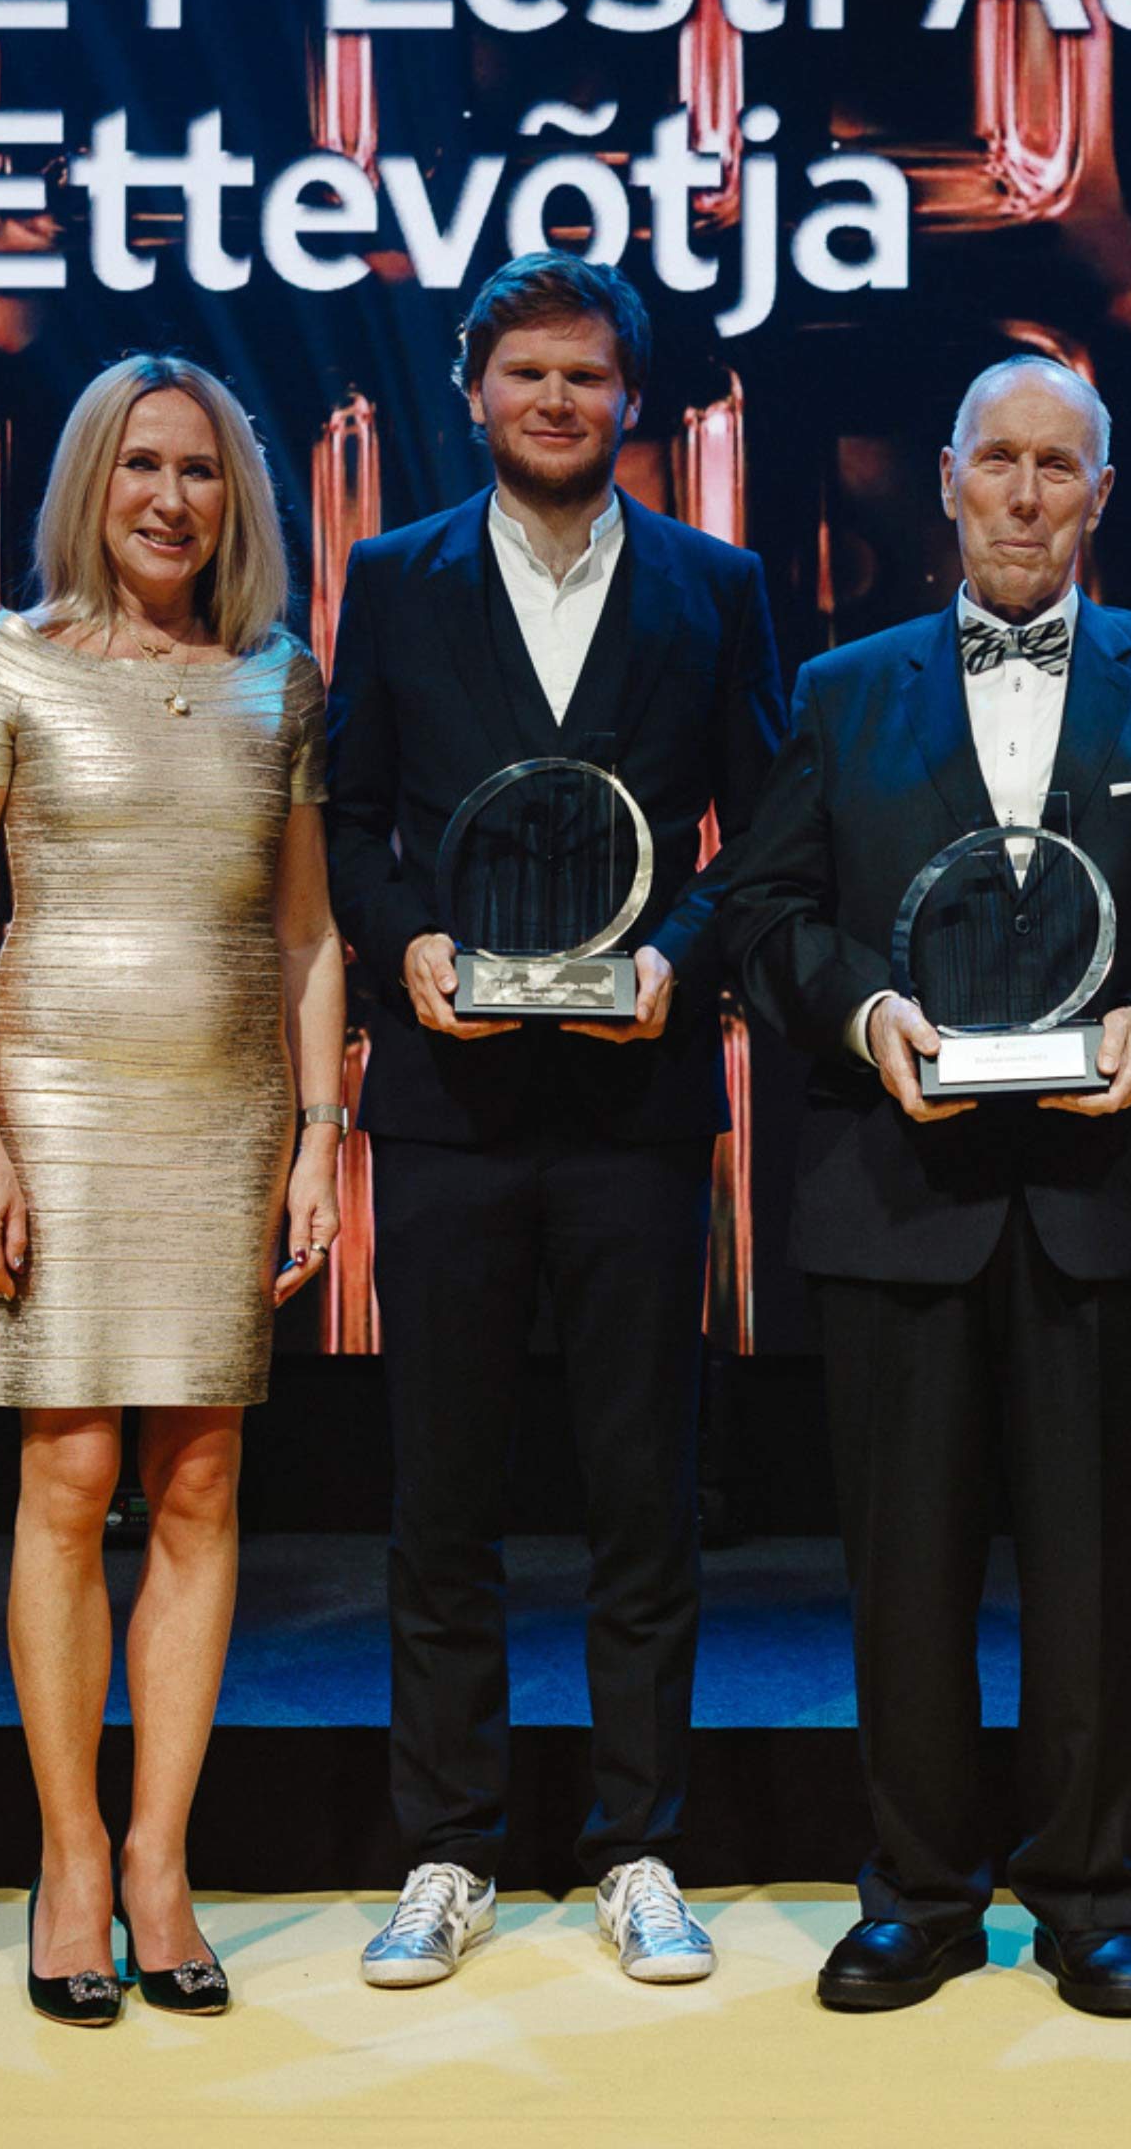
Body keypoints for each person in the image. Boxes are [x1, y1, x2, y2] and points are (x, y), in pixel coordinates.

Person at [714, 356, 1131, 2020]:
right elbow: (762, 917)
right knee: (902, 1568)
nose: (1030, 493)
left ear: (1102, 494)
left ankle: (1091, 1893)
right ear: (950, 482)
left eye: (1062, 465)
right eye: (1002, 462)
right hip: (896, 1187)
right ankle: (914, 1891)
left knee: (1096, 1567)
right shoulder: (840, 691)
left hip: (1113, 1188)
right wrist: (862, 1010)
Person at [323, 255, 788, 1988]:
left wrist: (682, 955)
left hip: (634, 1105)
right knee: (439, 1496)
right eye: (525, 373)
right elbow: (354, 823)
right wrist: (409, 942)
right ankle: (447, 1849)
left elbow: (770, 831)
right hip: (448, 1102)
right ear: (472, 390)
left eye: (587, 377)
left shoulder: (713, 585)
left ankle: (639, 1845)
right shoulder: (391, 579)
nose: (556, 402)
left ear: (631, 400)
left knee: (637, 1497)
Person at [0, 354, 344, 2026]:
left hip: (227, 1105)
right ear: (91, 483)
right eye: (141, 466)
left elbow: (306, 934)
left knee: (208, 1477)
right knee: (68, 1471)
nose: (172, 498)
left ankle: (162, 1854)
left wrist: (321, 1134)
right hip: (62, 1103)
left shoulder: (277, 679)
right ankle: (72, 1853)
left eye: (206, 470)